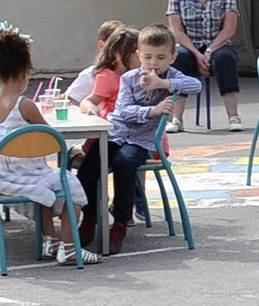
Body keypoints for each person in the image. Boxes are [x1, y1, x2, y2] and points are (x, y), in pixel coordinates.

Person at [0, 29, 101, 266]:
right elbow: (50, 138)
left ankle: (50, 240)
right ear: (25, 73)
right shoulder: (25, 105)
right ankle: (70, 248)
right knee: (70, 185)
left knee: (46, 184)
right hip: (25, 175)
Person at [77, 24, 201, 254]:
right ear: (138, 55)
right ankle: (90, 216)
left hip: (142, 140)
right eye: (147, 57)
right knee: (88, 167)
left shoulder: (172, 76)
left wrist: (164, 84)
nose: (153, 63)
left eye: (161, 58)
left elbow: (196, 85)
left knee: (125, 164)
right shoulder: (129, 78)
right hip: (116, 133)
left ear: (172, 58)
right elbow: (123, 111)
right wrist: (152, 110)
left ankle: (120, 223)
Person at [167, 0, 242, 133]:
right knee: (179, 57)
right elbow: (177, 31)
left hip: (218, 44)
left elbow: (230, 28)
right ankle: (177, 118)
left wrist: (209, 51)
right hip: (189, 45)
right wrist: (196, 53)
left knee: (225, 58)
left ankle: (233, 116)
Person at [78, 27, 139, 118]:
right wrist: (91, 108)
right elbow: (87, 101)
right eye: (137, 54)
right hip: (115, 122)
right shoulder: (107, 77)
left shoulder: (142, 74)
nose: (143, 58)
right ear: (119, 55)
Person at [66, 20, 126, 105]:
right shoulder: (90, 75)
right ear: (102, 46)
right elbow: (67, 99)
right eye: (116, 46)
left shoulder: (133, 74)